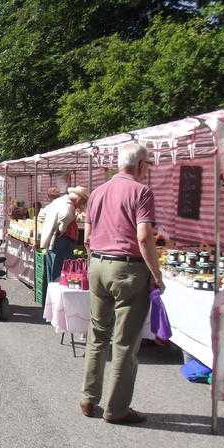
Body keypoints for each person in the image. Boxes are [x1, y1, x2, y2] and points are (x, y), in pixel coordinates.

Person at [81, 143, 162, 425]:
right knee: (125, 342)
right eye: (147, 165)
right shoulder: (141, 192)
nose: (147, 170)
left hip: (98, 265)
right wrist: (157, 275)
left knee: (98, 335)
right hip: (127, 269)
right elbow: (144, 237)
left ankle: (89, 399)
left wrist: (97, 261)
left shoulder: (97, 192)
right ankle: (116, 410)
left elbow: (87, 237)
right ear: (140, 165)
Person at [39, 186, 89, 281]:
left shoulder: (60, 201)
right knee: (60, 272)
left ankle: (52, 293)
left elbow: (42, 214)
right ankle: (56, 294)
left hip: (53, 241)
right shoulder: (68, 206)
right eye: (83, 201)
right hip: (62, 240)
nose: (82, 204)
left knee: (54, 270)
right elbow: (65, 218)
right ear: (79, 198)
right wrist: (61, 228)